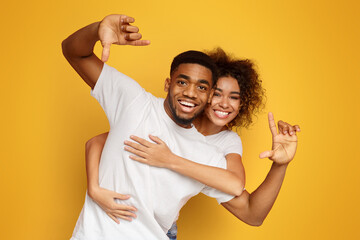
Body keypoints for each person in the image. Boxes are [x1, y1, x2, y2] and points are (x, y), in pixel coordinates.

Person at [85, 48, 300, 239]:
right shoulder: (164, 115)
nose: (224, 103)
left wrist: (169, 160)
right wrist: (94, 188)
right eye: (217, 94)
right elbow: (97, 142)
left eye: (234, 97)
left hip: (157, 227)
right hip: (115, 223)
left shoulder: (221, 145)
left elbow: (238, 188)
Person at [63, 14, 244, 240]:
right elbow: (73, 51)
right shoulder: (133, 101)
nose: (189, 92)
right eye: (182, 82)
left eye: (201, 87)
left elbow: (240, 194)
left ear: (209, 97)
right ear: (168, 84)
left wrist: (168, 159)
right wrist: (96, 29)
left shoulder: (206, 154)